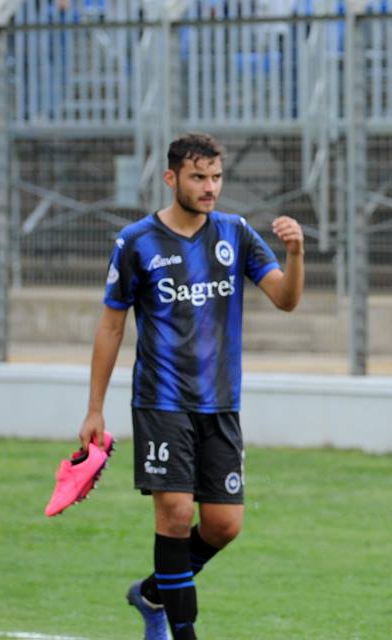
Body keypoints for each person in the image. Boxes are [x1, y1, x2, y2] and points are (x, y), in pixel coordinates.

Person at [77, 133, 305, 640]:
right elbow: (111, 327)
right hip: (161, 400)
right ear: (171, 178)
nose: (209, 188)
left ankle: (154, 592)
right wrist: (94, 409)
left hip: (221, 402)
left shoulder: (237, 233)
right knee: (176, 513)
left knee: (224, 524)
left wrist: (295, 253)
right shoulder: (136, 242)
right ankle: (181, 631)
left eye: (216, 177)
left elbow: (285, 300)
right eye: (198, 177)